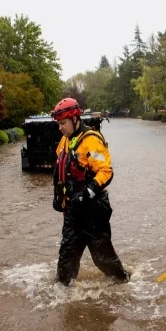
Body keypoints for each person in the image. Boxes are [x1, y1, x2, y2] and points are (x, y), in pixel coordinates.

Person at [51, 98, 130, 286]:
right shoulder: (65, 141)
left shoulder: (91, 140)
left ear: (75, 119)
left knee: (102, 258)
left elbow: (106, 171)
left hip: (94, 209)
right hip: (72, 210)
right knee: (66, 259)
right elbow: (60, 171)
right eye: (59, 124)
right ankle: (63, 291)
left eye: (63, 123)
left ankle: (124, 280)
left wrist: (88, 192)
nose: (60, 128)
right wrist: (58, 197)